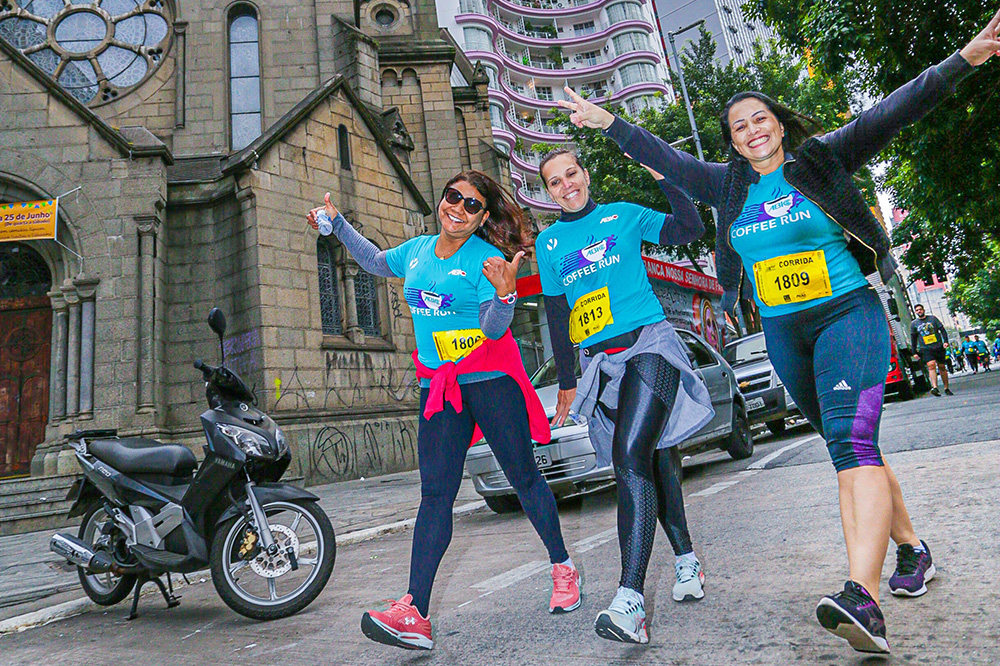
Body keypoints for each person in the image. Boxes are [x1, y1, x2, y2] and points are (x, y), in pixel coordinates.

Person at [556, 8, 1000, 653]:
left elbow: (894, 109)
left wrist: (968, 57)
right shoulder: (727, 187)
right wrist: (612, 125)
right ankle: (914, 550)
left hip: (848, 313)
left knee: (851, 444)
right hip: (787, 333)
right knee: (851, 447)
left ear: (778, 124)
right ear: (732, 143)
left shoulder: (821, 159)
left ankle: (862, 597)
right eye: (738, 126)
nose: (750, 130)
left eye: (759, 117)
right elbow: (668, 161)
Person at [306, 172, 581, 651]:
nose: (458, 207)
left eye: (472, 205)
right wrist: (337, 224)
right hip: (440, 387)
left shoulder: (486, 260)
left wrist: (507, 294)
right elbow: (372, 259)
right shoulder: (416, 251)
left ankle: (562, 566)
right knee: (435, 493)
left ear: (481, 218)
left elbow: (494, 329)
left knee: (523, 478)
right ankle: (415, 610)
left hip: (490, 382)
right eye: (453, 196)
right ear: (442, 199)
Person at [535, 148, 715, 644]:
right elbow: (556, 313)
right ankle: (686, 560)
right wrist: (568, 380)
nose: (566, 184)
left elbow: (689, 229)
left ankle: (629, 601)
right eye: (554, 181)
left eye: (571, 173)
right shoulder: (549, 243)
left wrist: (667, 178)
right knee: (654, 461)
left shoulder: (625, 216)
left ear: (585, 174)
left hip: (650, 345)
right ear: (547, 192)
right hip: (601, 363)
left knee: (629, 458)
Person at [910, 304, 952, 395]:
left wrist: (945, 341)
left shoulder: (933, 319)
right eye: (917, 310)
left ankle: (946, 388)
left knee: (941, 366)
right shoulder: (914, 324)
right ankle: (935, 387)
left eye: (920, 309)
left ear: (923, 310)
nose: (919, 311)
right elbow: (913, 338)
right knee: (931, 365)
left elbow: (942, 330)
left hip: (938, 346)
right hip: (926, 348)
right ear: (915, 312)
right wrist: (914, 352)